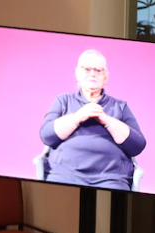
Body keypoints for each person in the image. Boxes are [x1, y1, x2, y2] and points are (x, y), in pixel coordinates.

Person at [39, 49, 146, 190]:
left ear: (106, 77)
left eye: (98, 71)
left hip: (111, 178)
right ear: (77, 73)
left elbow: (137, 145)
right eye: (87, 69)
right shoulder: (63, 101)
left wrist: (107, 120)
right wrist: (77, 117)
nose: (92, 74)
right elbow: (47, 136)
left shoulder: (120, 106)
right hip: (65, 174)